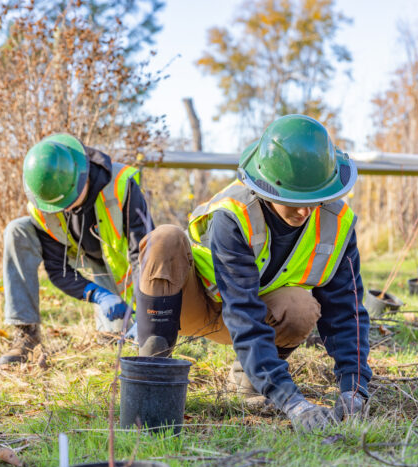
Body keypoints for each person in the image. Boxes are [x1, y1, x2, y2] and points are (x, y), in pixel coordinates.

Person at [134, 115, 372, 431]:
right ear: (266, 187)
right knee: (164, 238)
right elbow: (242, 312)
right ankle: (151, 372)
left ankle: (250, 379)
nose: (304, 211)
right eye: (293, 201)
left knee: (301, 307)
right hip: (194, 306)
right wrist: (294, 402)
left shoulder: (338, 225)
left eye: (314, 199)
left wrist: (353, 389)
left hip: (256, 315)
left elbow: (347, 313)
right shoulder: (233, 215)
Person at [0, 133, 153, 366]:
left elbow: (142, 254)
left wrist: (147, 309)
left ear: (83, 176)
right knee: (17, 229)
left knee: (116, 339)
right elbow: (58, 268)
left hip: (115, 265)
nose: (62, 209)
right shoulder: (46, 203)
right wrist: (97, 295)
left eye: (68, 201)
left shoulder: (121, 186)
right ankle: (26, 334)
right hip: (76, 253)